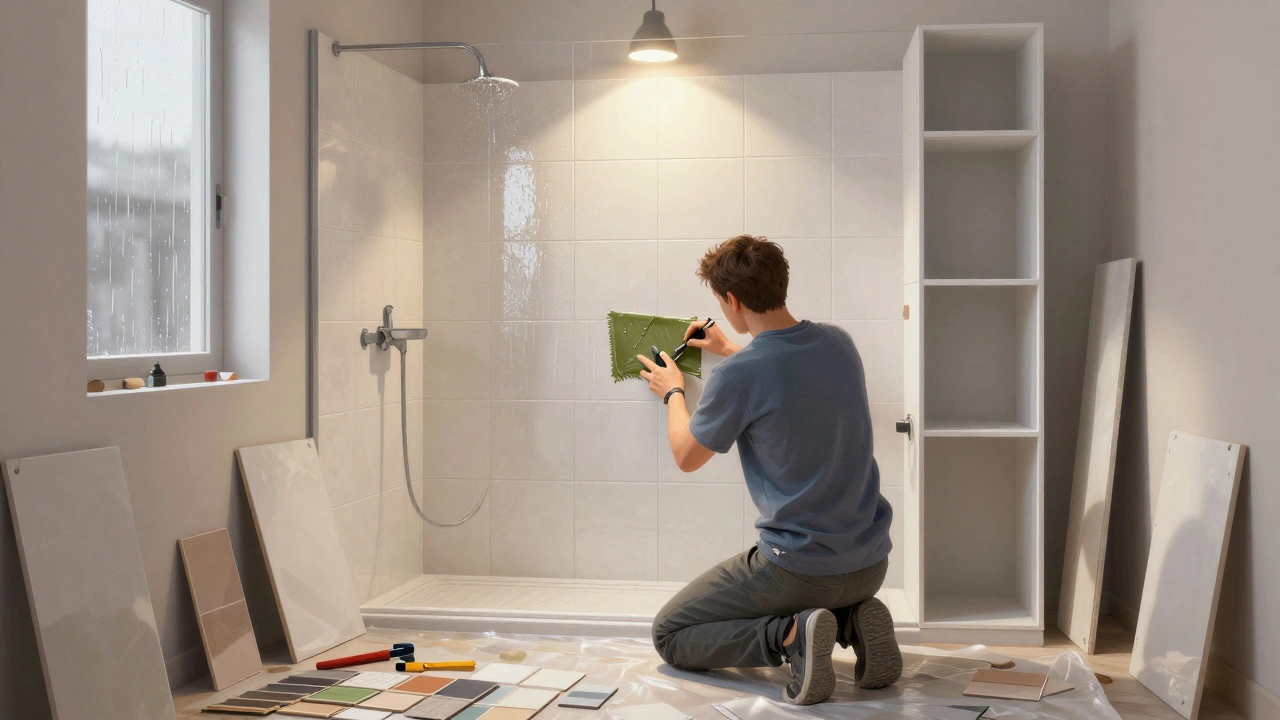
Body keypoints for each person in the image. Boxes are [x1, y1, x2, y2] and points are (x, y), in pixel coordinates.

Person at [635, 235, 901, 706]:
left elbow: (687, 455)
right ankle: (853, 620)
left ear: (731, 300)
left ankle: (791, 636)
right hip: (870, 563)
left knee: (670, 634)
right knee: (836, 586)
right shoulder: (839, 344)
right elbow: (786, 378)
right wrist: (733, 347)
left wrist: (673, 390)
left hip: (799, 570)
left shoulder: (740, 377)